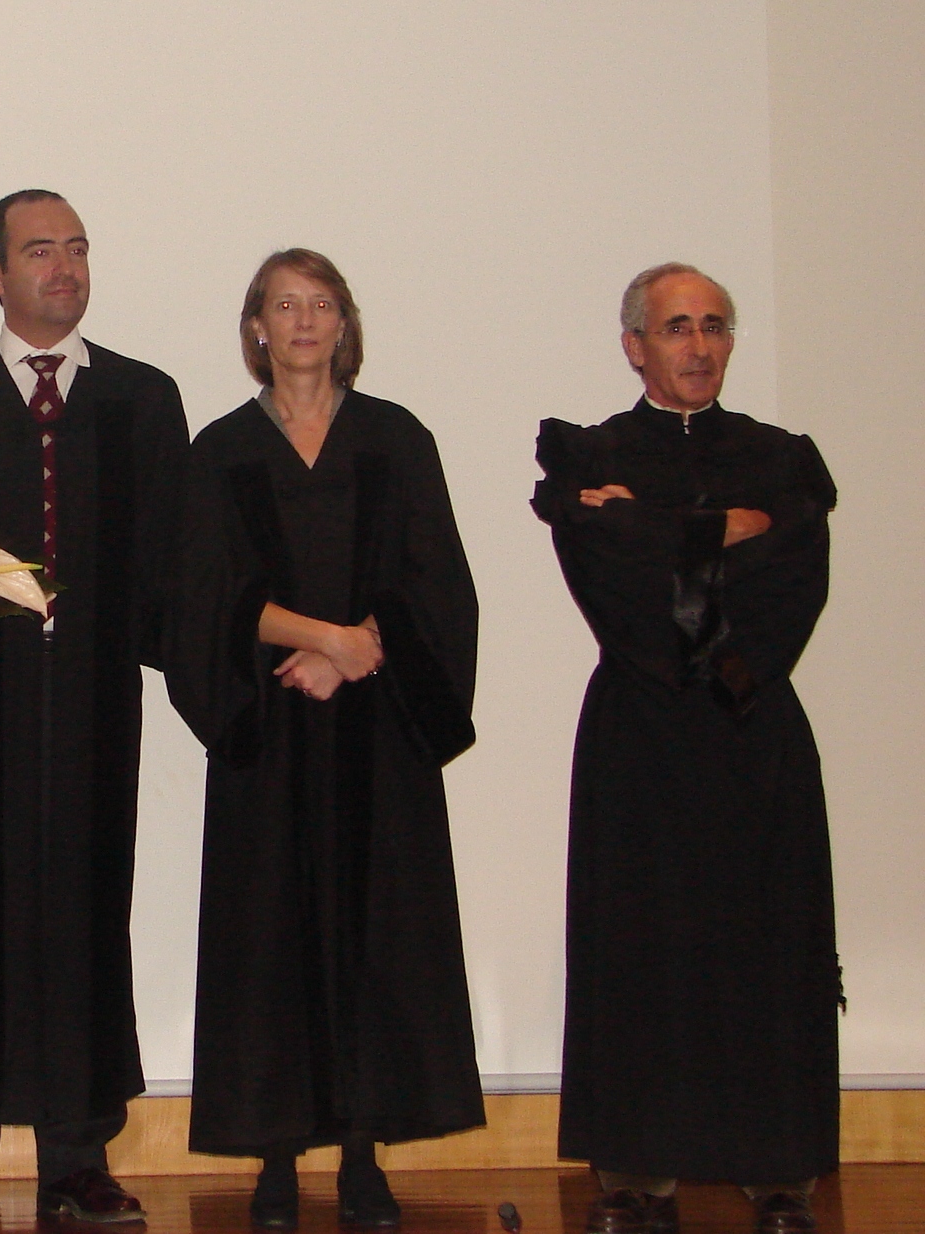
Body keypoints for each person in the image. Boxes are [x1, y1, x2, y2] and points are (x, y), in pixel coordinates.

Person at [0, 190, 189, 1227]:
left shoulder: (143, 400)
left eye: (77, 249)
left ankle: (77, 1156)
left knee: (86, 912)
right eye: (39, 250)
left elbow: (171, 563)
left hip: (93, 707)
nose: (64, 267)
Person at [164, 249, 484, 1229]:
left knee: (375, 940)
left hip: (379, 732)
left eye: (321, 304)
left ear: (344, 324)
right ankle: (272, 1156)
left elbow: (438, 582)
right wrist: (320, 639)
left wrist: (355, 654)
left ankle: (360, 1153)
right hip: (267, 731)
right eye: (283, 305)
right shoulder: (220, 451)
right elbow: (198, 600)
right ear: (255, 327)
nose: (303, 321)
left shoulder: (395, 438)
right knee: (269, 942)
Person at [533, 264, 838, 1234]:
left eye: (713, 325)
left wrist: (654, 530)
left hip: (756, 733)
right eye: (675, 327)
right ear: (634, 346)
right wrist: (724, 534)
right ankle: (634, 1169)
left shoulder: (779, 459)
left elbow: (793, 582)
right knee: (638, 945)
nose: (698, 345)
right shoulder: (590, 454)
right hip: (640, 735)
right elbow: (612, 589)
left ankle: (777, 1168)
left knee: (767, 943)